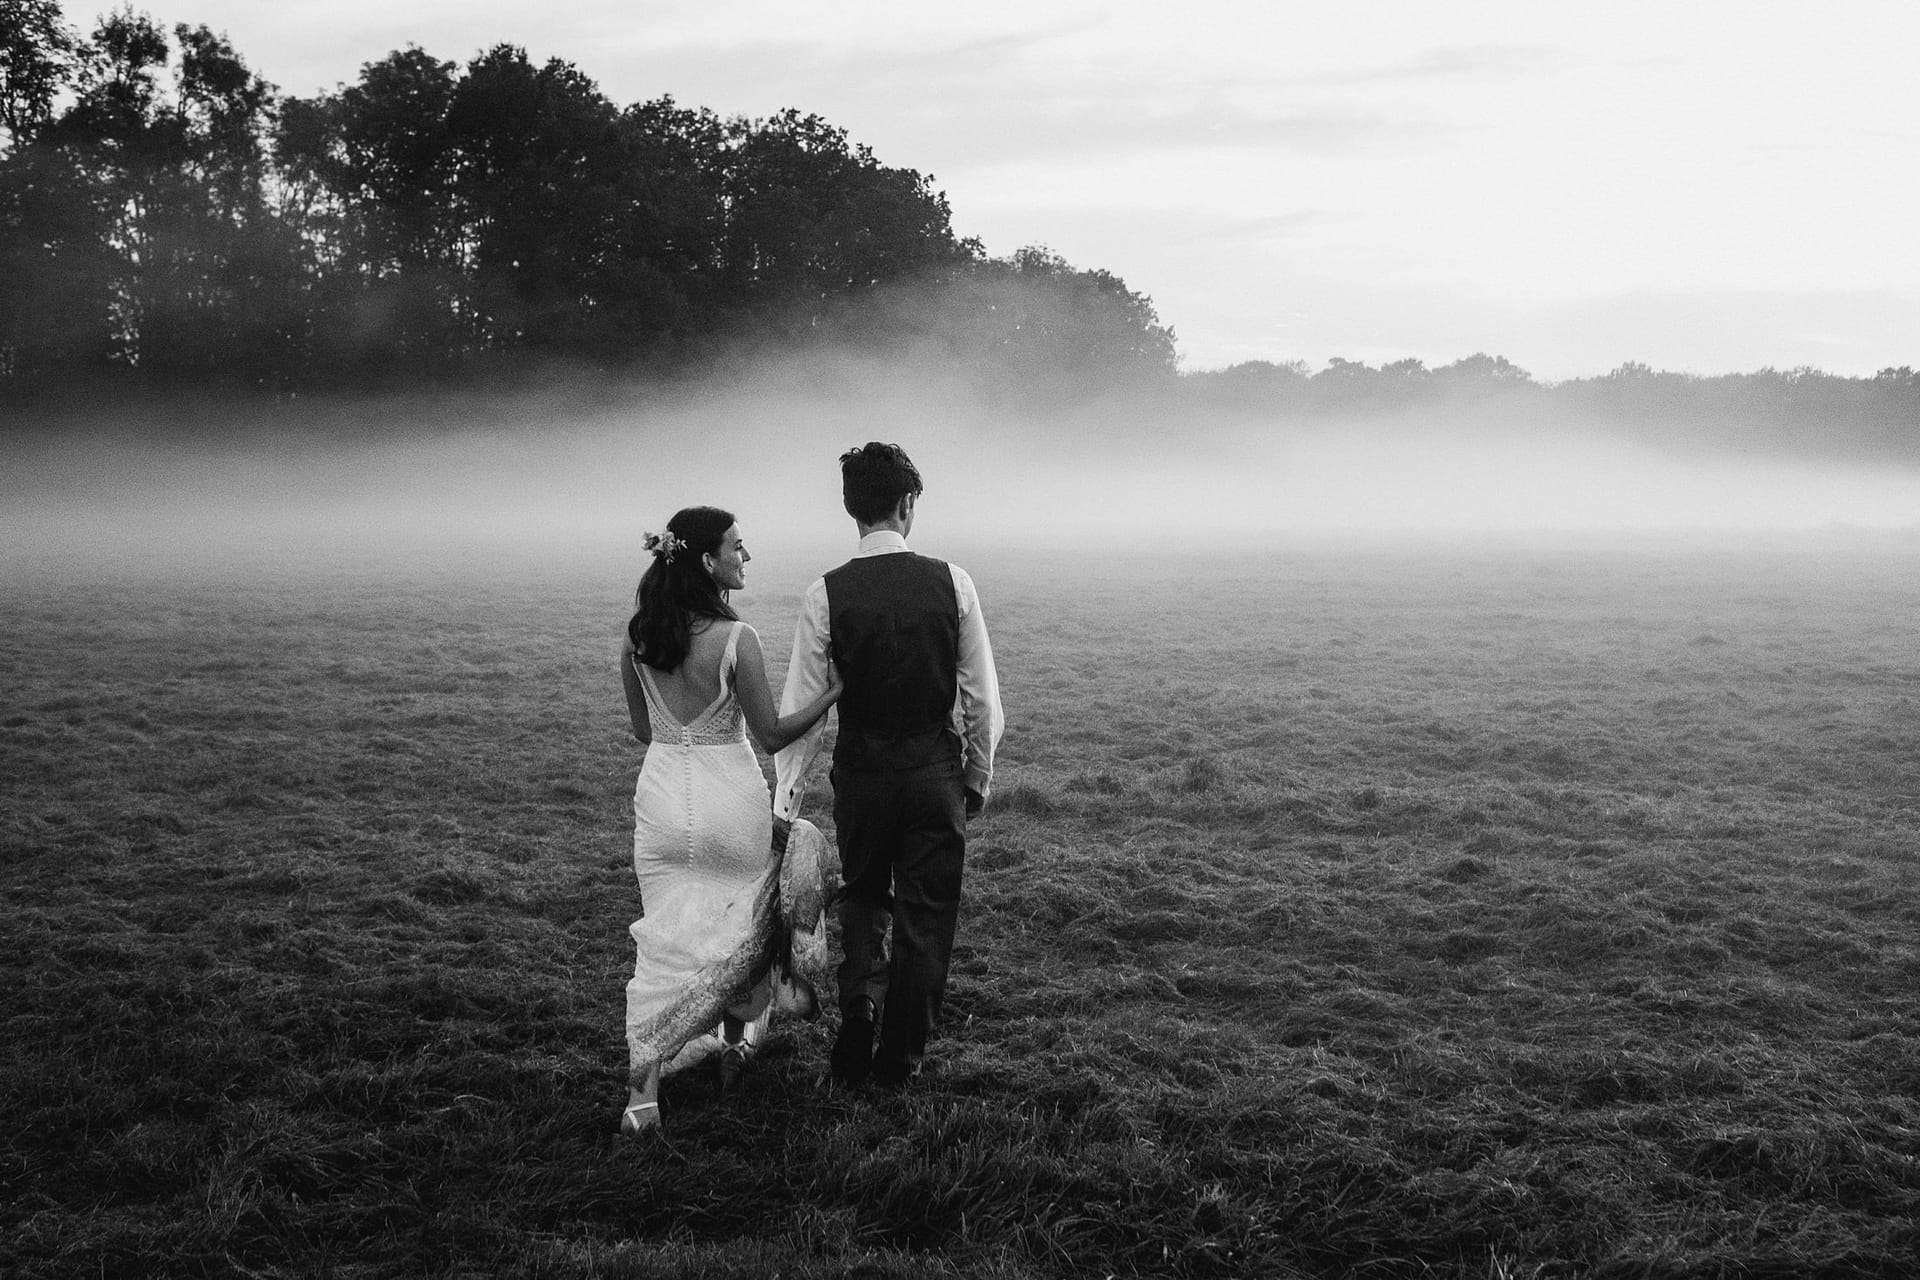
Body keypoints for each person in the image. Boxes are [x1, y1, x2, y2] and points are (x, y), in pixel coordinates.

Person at [774, 443, 1004, 1089]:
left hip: (863, 777)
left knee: (863, 897)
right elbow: (982, 699)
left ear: (852, 509)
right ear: (908, 504)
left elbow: (804, 709)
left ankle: (859, 1006)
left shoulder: (826, 593)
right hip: (934, 774)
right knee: (925, 917)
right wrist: (977, 777)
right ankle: (898, 1062)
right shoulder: (953, 582)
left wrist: (785, 804)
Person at [619, 506, 843, 1137]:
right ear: (706, 562)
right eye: (737, 547)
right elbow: (771, 734)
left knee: (665, 933)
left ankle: (642, 1099)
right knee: (741, 920)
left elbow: (643, 728)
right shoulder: (736, 640)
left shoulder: (638, 636)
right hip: (730, 797)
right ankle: (740, 1040)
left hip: (662, 800)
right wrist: (831, 695)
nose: (747, 557)